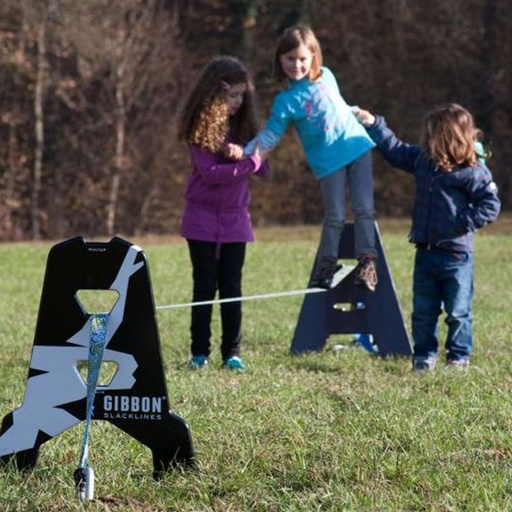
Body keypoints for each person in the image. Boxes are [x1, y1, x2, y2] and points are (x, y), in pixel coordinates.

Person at [355, 103, 501, 371]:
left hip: (457, 255)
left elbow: (490, 205)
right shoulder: (424, 161)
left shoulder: (472, 171)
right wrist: (374, 124)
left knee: (457, 312)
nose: (427, 139)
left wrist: (461, 222)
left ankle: (458, 357)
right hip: (425, 252)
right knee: (423, 311)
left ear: (449, 137)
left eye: (433, 134)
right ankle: (424, 355)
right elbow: (395, 149)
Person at [238, 25, 378, 291]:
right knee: (335, 215)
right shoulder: (285, 101)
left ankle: (367, 264)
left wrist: (359, 112)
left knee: (364, 209)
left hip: (357, 147)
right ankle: (326, 266)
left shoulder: (327, 76)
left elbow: (339, 105)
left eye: (303, 58)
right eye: (290, 59)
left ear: (314, 56)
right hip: (328, 163)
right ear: (280, 60)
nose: (297, 65)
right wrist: (246, 154)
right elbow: (270, 135)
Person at [177, 56, 269, 371]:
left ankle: (232, 353)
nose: (237, 102)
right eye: (232, 96)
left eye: (242, 96)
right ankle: (198, 353)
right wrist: (246, 163)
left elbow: (264, 165)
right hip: (201, 221)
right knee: (204, 286)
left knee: (232, 287)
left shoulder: (244, 129)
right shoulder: (198, 132)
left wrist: (248, 154)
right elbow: (212, 173)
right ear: (213, 96)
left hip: (235, 221)